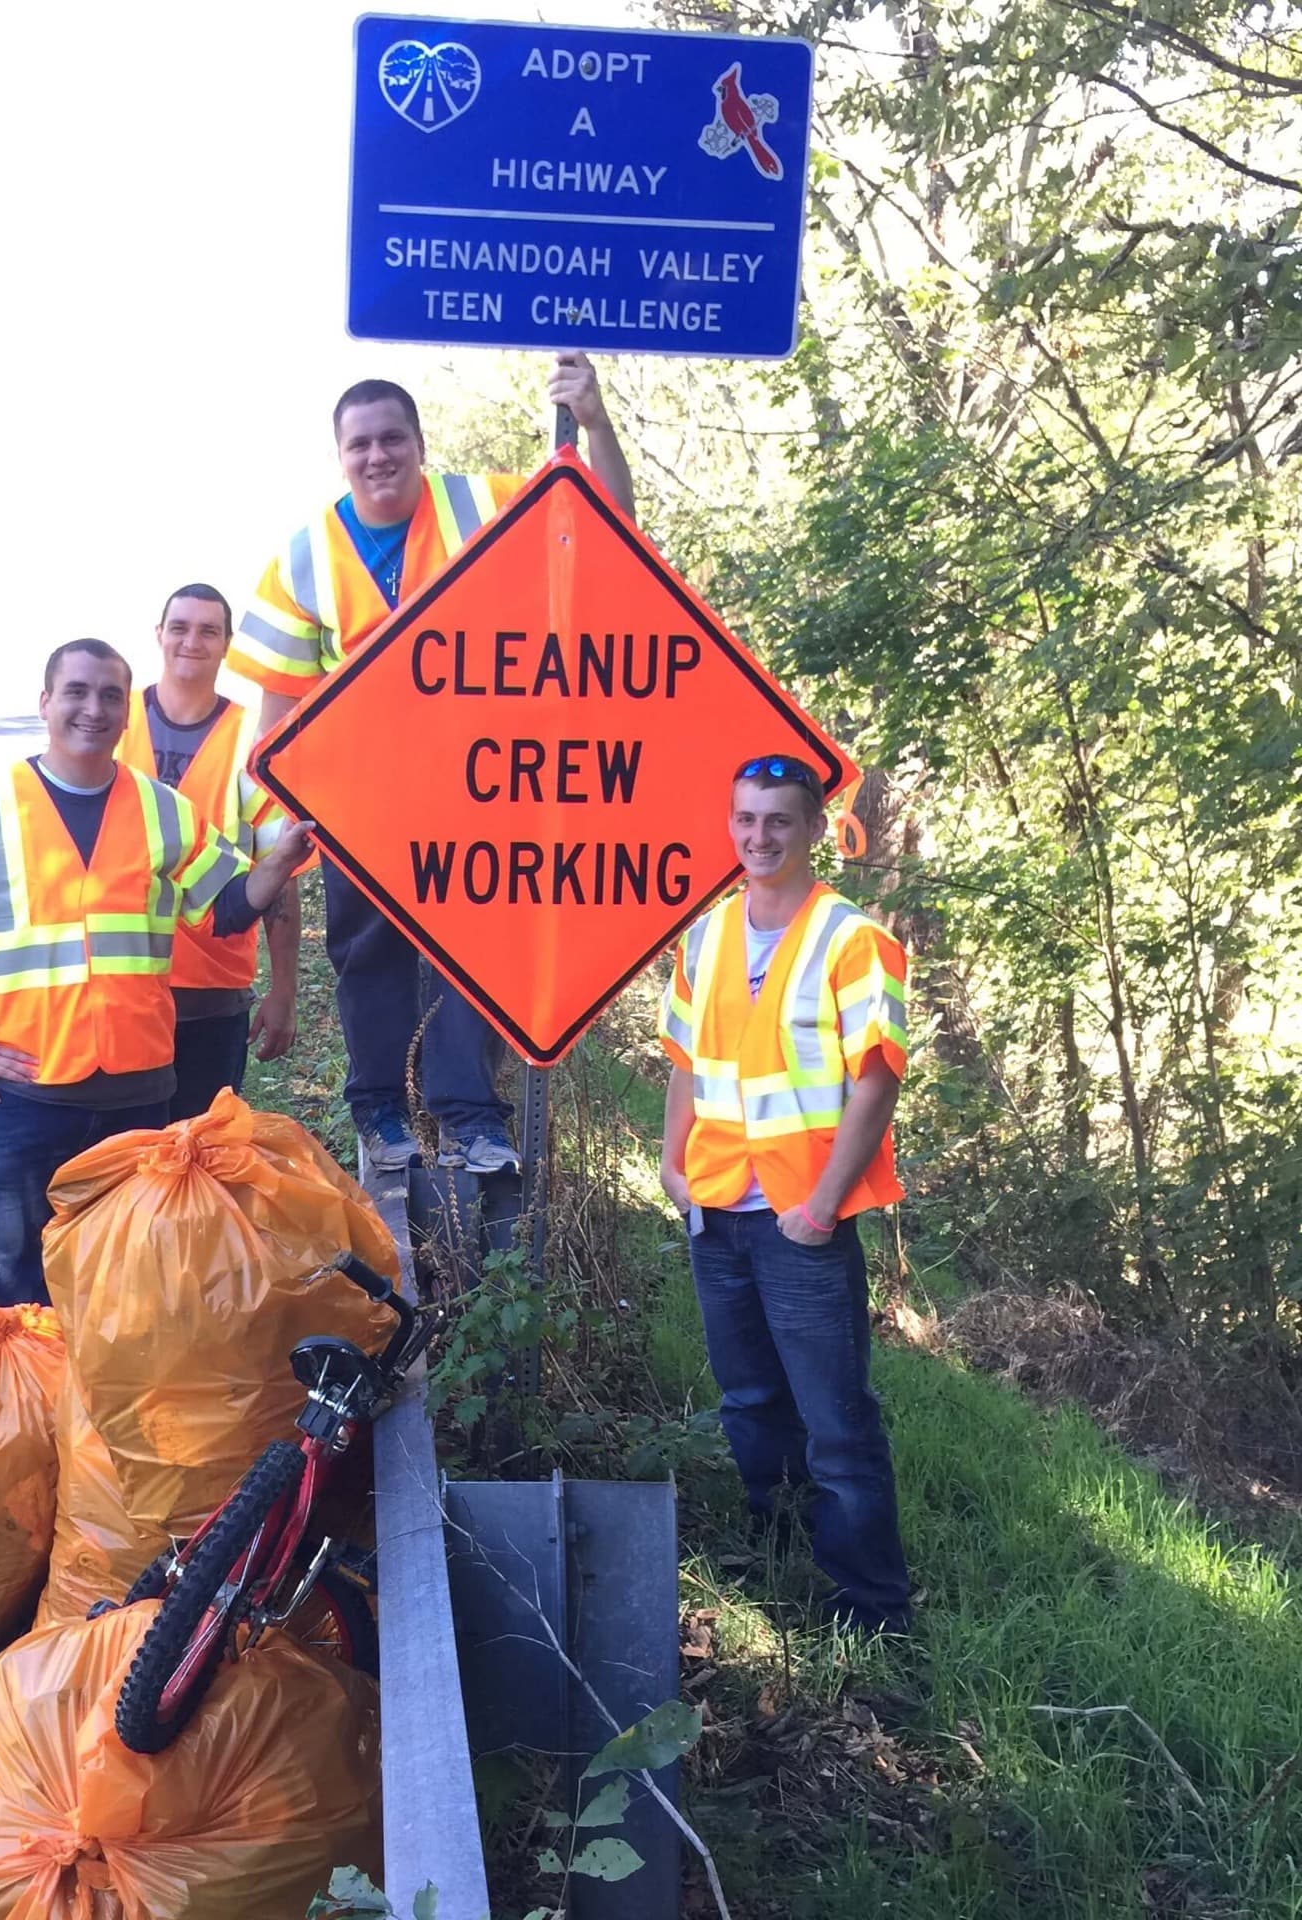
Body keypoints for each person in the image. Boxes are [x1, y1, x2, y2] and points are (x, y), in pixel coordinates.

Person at [229, 354, 634, 1175]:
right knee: (369, 958)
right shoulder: (305, 556)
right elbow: (279, 712)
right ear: (339, 455)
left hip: (483, 789)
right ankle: (380, 1112)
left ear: (420, 443)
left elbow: (611, 530)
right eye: (360, 445)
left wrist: (593, 422)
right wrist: (281, 826)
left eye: (392, 440)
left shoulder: (484, 504)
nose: (377, 457)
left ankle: (469, 1116)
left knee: (472, 952)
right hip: (361, 801)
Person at [0, 638, 311, 1308]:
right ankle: (14, 1407)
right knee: (7, 1274)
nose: (91, 708)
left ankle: (101, 1406)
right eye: (75, 691)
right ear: (45, 703)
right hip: (26, 1091)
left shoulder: (163, 809)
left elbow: (226, 911)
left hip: (140, 1090)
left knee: (129, 1272)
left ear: (125, 716)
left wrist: (279, 862)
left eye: (108, 695)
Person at [657, 754, 913, 1633]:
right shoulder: (708, 936)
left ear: (814, 830)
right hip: (718, 1207)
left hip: (802, 1218)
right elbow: (687, 1063)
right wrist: (671, 1164)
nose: (759, 836)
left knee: (836, 1422)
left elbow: (877, 1081)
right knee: (749, 1402)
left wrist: (821, 1208)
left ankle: (872, 1608)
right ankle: (776, 1557)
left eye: (778, 821)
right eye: (745, 819)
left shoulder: (853, 940)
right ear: (730, 825)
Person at [116, 582, 299, 1120]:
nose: (191, 641)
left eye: (208, 631)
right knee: (118, 1171)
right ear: (159, 635)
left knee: (200, 1167)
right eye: (180, 627)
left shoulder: (251, 740)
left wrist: (283, 990)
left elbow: (279, 870)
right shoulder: (111, 717)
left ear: (226, 645)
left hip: (211, 990)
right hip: (116, 988)